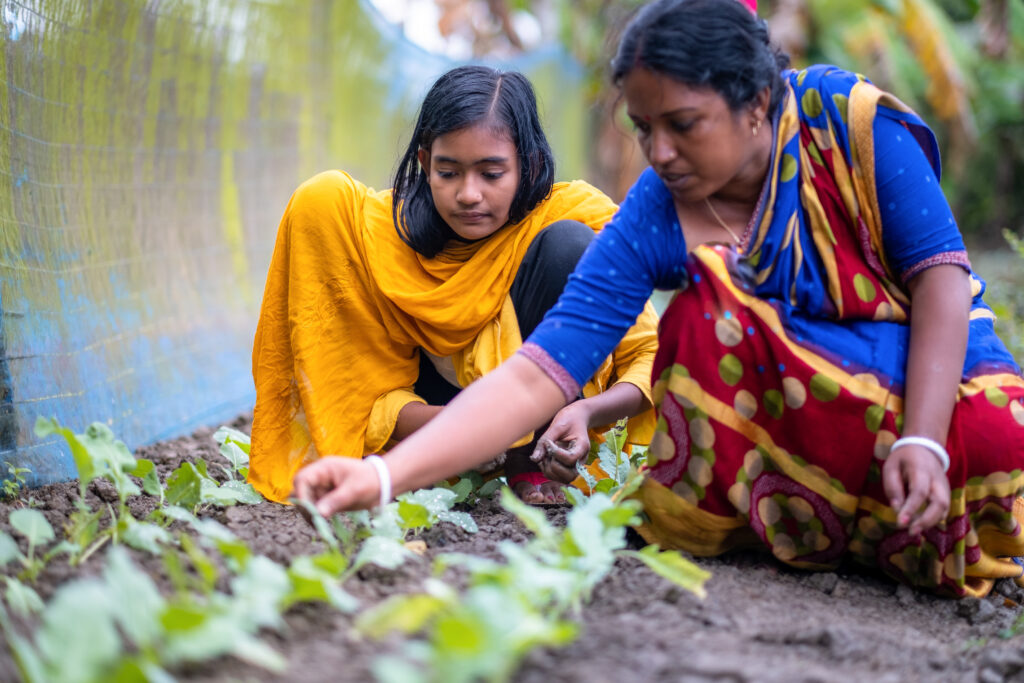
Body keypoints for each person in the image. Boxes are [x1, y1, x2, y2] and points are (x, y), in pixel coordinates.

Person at [293, 0, 1024, 598]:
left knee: (994, 438)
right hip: (808, 433)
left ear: (757, 104)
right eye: (644, 128)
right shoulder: (656, 210)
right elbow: (535, 372)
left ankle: (873, 506)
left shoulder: (849, 122)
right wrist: (384, 473)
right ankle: (834, 521)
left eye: (684, 124)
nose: (660, 153)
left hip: (927, 388)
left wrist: (924, 436)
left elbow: (941, 280)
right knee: (708, 319)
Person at [249, 65, 659, 506]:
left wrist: (583, 412)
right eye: (449, 172)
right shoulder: (374, 234)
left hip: (536, 421)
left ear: (529, 164)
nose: (468, 194)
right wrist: (463, 431)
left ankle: (531, 467)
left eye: (491, 174)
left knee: (570, 244)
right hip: (420, 429)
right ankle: (421, 466)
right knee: (321, 197)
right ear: (425, 163)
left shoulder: (573, 212)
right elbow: (350, 389)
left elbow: (648, 354)